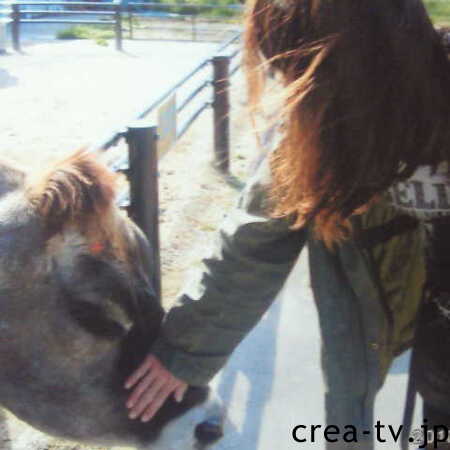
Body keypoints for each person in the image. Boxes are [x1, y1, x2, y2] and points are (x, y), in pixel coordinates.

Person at [124, 1, 450, 448]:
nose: (292, 94)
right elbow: (258, 233)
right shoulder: (327, 127)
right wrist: (183, 351)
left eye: (299, 75)